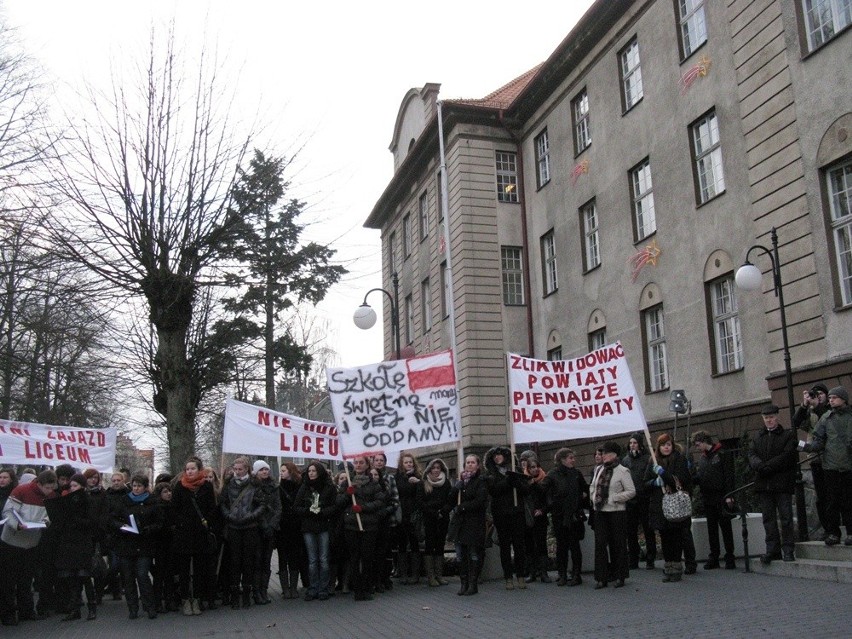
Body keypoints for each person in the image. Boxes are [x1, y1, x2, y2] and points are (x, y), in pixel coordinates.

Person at [0, 469, 57, 624]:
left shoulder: (50, 496)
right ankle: (8, 614)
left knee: (26, 580)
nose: (49, 491)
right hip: (12, 542)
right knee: (8, 581)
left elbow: (50, 515)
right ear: (39, 484)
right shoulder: (21, 491)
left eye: (52, 488)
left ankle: (26, 611)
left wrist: (46, 522)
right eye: (47, 488)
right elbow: (8, 513)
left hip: (32, 543)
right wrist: (17, 525)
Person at [800, 386, 852, 546]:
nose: (831, 400)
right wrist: (805, 446)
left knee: (849, 501)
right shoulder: (826, 418)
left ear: (844, 399)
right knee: (832, 502)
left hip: (849, 466)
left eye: (834, 397)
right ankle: (833, 533)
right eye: (830, 398)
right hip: (830, 467)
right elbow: (818, 439)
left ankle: (850, 533)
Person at [748, 403, 798, 563]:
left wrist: (768, 466)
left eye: (771, 417)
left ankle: (788, 549)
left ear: (777, 417)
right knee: (768, 519)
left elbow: (787, 455)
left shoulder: (787, 435)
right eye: (766, 418)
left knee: (786, 518)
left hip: (782, 483)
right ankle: (773, 550)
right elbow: (751, 454)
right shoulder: (758, 437)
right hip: (764, 484)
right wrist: (759, 466)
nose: (769, 420)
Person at [110, 474, 163, 620]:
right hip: (126, 543)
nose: (136, 488)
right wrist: (121, 526)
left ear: (145, 487)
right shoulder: (124, 501)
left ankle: (149, 606)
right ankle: (132, 608)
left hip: (144, 544)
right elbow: (113, 519)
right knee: (128, 577)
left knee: (142, 574)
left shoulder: (152, 502)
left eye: (139, 486)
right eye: (134, 485)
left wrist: (149, 528)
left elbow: (159, 522)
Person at [171, 456, 218, 615]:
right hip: (183, 534)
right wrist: (182, 523)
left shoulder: (206, 486)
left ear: (199, 470)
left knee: (199, 569)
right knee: (184, 569)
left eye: (193, 469)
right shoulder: (179, 486)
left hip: (201, 533)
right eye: (187, 469)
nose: (190, 471)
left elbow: (212, 508)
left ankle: (197, 599)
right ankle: (185, 600)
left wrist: (207, 522)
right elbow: (174, 509)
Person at [646, 433, 693, 583]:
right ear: (658, 447)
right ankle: (668, 568)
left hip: (675, 505)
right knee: (665, 538)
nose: (666, 447)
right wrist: (654, 482)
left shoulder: (679, 460)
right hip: (660, 507)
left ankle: (677, 569)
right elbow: (644, 483)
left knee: (676, 538)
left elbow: (680, 480)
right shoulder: (653, 462)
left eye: (669, 444)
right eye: (663, 445)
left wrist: (663, 474)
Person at [338, 455, 386, 601]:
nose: (358, 465)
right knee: (354, 557)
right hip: (352, 525)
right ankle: (357, 589)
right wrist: (348, 494)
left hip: (369, 526)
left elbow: (380, 502)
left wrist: (363, 508)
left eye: (361, 463)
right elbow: (338, 502)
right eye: (356, 463)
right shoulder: (348, 482)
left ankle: (367, 587)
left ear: (367, 465)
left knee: (367, 557)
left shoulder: (373, 483)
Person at [220, 456, 266, 609]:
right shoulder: (228, 484)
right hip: (233, 527)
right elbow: (223, 504)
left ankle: (246, 594)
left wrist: (251, 516)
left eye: (240, 469)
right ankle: (234, 596)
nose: (238, 472)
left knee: (248, 562)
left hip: (249, 527)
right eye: (236, 469)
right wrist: (228, 515)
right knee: (234, 562)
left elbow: (262, 504)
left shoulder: (254, 484)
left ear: (247, 469)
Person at [590, 441, 635, 589]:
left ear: (614, 455)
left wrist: (614, 498)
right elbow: (593, 486)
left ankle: (620, 576)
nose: (603, 456)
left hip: (616, 512)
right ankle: (601, 578)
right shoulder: (598, 469)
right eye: (602, 453)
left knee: (618, 544)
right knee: (600, 544)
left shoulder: (623, 471)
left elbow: (631, 491)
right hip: (600, 511)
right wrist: (593, 497)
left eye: (606, 453)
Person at [484, 445, 528, 590]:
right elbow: (494, 491)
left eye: (500, 455)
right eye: (495, 456)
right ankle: (508, 577)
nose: (497, 457)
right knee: (504, 547)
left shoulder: (516, 471)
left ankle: (520, 575)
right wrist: (508, 481)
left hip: (517, 513)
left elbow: (526, 490)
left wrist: (517, 482)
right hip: (501, 514)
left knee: (519, 545)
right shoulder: (491, 474)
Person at [691, 430, 736, 569]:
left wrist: (729, 495)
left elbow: (729, 475)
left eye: (698, 445)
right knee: (712, 529)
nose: (698, 448)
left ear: (705, 442)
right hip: (708, 497)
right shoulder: (704, 458)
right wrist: (691, 479)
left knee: (726, 528)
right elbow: (701, 476)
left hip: (721, 496)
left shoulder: (722, 453)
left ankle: (730, 556)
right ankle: (714, 556)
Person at [544, 447, 588, 586]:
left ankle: (576, 574)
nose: (573, 460)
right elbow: (544, 490)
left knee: (575, 547)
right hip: (559, 516)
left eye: (573, 458)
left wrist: (582, 501)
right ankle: (562, 574)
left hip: (574, 516)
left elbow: (585, 490)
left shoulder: (576, 474)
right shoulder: (552, 474)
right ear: (562, 460)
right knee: (561, 547)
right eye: (570, 458)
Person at [293, 461, 337, 601]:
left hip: (323, 526)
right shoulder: (305, 487)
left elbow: (334, 507)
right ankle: (313, 588)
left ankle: (323, 588)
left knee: (323, 559)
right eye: (309, 471)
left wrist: (322, 512)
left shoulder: (329, 487)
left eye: (314, 471)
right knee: (312, 560)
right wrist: (309, 511)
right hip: (308, 527)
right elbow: (296, 507)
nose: (311, 473)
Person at [793, 383, 832, 538]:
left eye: (821, 394)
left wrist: (817, 405)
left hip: (833, 458)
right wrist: (804, 405)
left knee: (836, 495)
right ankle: (827, 528)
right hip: (816, 459)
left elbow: (827, 420)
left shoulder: (831, 409)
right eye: (815, 394)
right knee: (821, 497)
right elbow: (796, 422)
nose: (817, 396)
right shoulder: (811, 412)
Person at [449, 454, 488, 596]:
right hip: (460, 524)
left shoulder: (481, 481)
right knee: (460, 555)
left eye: (472, 462)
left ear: (478, 465)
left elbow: (480, 501)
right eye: (467, 462)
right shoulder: (461, 481)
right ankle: (463, 583)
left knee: (473, 554)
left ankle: (473, 583)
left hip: (474, 523)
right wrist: (455, 489)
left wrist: (463, 507)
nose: (469, 465)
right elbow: (451, 500)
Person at [622, 433, 656, 570]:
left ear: (640, 444)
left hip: (644, 499)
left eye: (635, 443)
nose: (632, 445)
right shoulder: (625, 460)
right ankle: (633, 558)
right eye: (630, 443)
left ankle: (650, 558)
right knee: (631, 531)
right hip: (631, 500)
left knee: (648, 530)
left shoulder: (648, 459)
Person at [417, 458, 452, 587]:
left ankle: (439, 575)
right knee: (429, 545)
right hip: (429, 518)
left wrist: (443, 511)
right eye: (433, 468)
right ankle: (431, 576)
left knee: (440, 545)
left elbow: (450, 500)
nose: (436, 470)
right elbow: (420, 502)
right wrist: (432, 511)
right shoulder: (423, 483)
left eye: (438, 468)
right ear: (429, 469)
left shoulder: (446, 483)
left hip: (443, 517)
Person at [252, 460, 281, 605]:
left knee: (267, 562)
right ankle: (256, 591)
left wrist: (272, 525)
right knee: (257, 562)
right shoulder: (252, 487)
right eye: (261, 470)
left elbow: (278, 507)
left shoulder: (274, 487)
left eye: (266, 469)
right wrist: (264, 525)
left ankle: (264, 590)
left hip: (271, 529)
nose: (264, 472)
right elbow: (256, 508)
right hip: (257, 528)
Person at [277, 462, 306, 599]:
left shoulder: (300, 487)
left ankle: (293, 587)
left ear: (291, 471)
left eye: (284, 470)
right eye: (281, 470)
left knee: (294, 556)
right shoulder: (278, 488)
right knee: (282, 557)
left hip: (295, 526)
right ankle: (285, 588)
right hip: (282, 527)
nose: (281, 473)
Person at [371, 453, 400, 590]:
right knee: (374, 552)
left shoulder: (390, 478)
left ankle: (385, 578)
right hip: (371, 521)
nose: (379, 462)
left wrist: (386, 511)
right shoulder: (368, 477)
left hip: (387, 521)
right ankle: (375, 579)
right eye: (376, 460)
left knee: (386, 552)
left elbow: (395, 500)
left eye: (381, 460)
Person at [395, 452, 423, 585]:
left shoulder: (418, 476)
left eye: (410, 462)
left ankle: (415, 574)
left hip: (413, 513)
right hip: (401, 513)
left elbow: (422, 493)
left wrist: (418, 483)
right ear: (402, 464)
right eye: (406, 462)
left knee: (414, 543)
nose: (408, 464)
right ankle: (403, 573)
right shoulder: (397, 477)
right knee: (401, 543)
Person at [522, 456, 551, 583]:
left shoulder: (544, 480)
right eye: (532, 467)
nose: (535, 470)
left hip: (540, 518)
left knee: (541, 545)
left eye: (536, 467)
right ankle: (532, 572)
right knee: (529, 546)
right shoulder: (523, 481)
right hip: (527, 518)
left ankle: (544, 573)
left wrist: (543, 510)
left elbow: (549, 499)